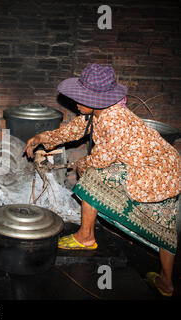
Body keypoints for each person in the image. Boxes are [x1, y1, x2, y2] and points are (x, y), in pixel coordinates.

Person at [23, 64, 180, 297]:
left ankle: (85, 237)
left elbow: (99, 160)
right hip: (160, 164)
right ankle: (166, 283)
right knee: (165, 227)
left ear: (97, 100)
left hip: (159, 172)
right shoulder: (99, 112)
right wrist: (42, 138)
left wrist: (81, 165)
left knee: (93, 178)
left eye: (80, 97)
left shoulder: (114, 121)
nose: (75, 101)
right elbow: (74, 130)